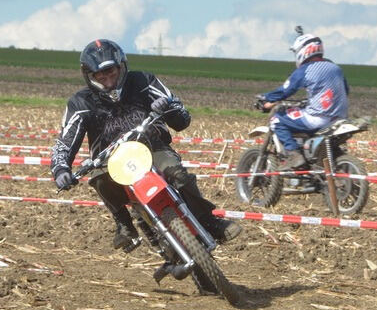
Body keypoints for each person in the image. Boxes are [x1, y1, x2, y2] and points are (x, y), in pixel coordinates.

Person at [51, 39, 241, 252]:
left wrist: (168, 107)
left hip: (152, 148)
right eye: (100, 76)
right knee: (99, 179)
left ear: (121, 66)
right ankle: (124, 225)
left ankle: (208, 221)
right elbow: (65, 140)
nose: (108, 80)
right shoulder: (80, 102)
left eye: (111, 72)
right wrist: (60, 169)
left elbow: (182, 119)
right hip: (111, 161)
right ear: (89, 76)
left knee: (178, 174)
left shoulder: (144, 81)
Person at [259, 28, 349, 170]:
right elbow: (345, 90)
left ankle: (293, 155)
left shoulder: (305, 69)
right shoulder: (335, 68)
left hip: (318, 118)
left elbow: (285, 90)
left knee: (276, 119)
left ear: (303, 50)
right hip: (339, 118)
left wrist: (265, 98)